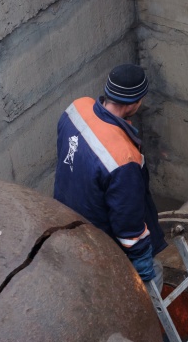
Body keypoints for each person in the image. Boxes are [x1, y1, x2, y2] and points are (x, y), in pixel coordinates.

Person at [53, 64, 167, 291]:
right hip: (98, 237)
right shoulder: (123, 158)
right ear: (135, 103)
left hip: (64, 218)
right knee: (156, 275)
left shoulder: (76, 108)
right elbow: (128, 225)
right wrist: (145, 274)